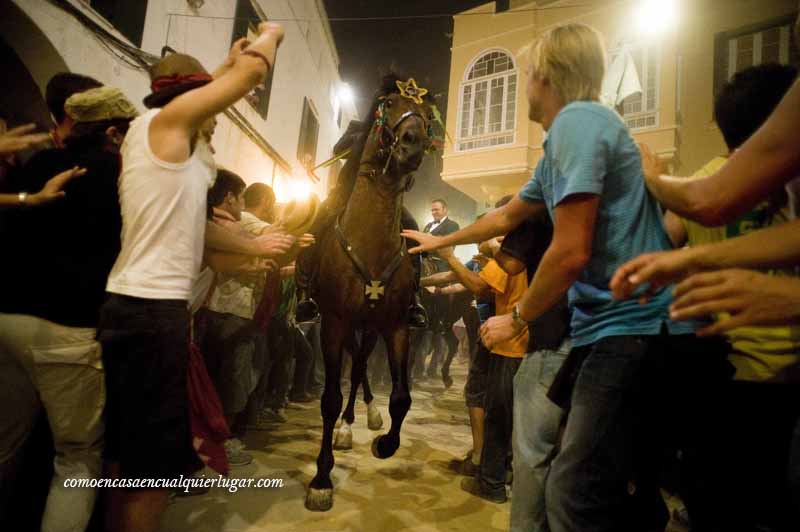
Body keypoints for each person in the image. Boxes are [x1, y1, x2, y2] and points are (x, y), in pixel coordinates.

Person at [403, 23, 726, 532]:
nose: (524, 88)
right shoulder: (565, 139)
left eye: (528, 74)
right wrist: (439, 241)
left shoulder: (579, 122)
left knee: (574, 490)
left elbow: (570, 250)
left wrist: (518, 319)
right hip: (624, 331)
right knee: (618, 488)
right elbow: (507, 217)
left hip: (631, 329)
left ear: (546, 76)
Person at [97, 23, 286, 532]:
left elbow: (199, 242)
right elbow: (249, 75)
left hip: (135, 307)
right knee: (151, 471)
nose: (216, 119)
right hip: (151, 313)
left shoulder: (156, 136)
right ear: (187, 97)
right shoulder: (171, 124)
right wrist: (270, 35)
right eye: (207, 100)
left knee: (125, 456)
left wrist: (226, 65)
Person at [0, 86, 137, 532]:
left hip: (8, 318)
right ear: (114, 133)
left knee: (5, 445)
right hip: (69, 326)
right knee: (76, 460)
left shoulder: (36, 164)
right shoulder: (120, 175)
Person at [294, 83, 429, 328]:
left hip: (386, 198)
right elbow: (339, 149)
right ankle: (305, 294)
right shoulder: (361, 127)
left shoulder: (398, 133)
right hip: (348, 193)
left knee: (412, 228)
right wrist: (367, 136)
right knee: (316, 225)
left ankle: (414, 299)